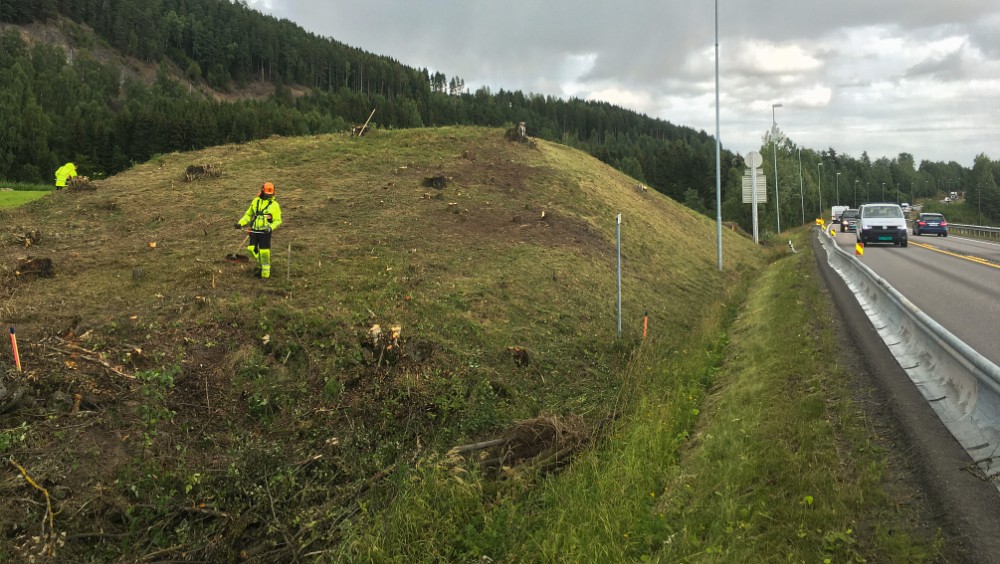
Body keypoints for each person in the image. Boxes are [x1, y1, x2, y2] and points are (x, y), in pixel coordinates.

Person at [235, 182, 282, 278]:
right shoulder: (255, 201)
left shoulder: (275, 205)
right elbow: (248, 215)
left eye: (270, 194)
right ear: (262, 191)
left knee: (264, 252)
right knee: (251, 249)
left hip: (265, 233)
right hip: (254, 231)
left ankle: (265, 273)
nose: (269, 195)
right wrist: (240, 223)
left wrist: (270, 228)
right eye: (267, 193)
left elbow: (278, 221)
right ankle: (260, 266)